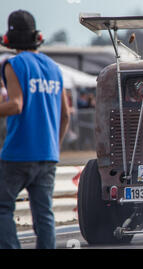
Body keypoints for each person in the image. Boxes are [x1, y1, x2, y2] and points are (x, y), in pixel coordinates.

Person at [0, 10, 70, 249]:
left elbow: (16, 104)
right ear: (36, 36)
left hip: (18, 154)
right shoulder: (54, 68)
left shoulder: (14, 64)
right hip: (48, 154)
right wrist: (54, 146)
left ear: (9, 39)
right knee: (44, 214)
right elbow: (66, 115)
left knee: (2, 207)